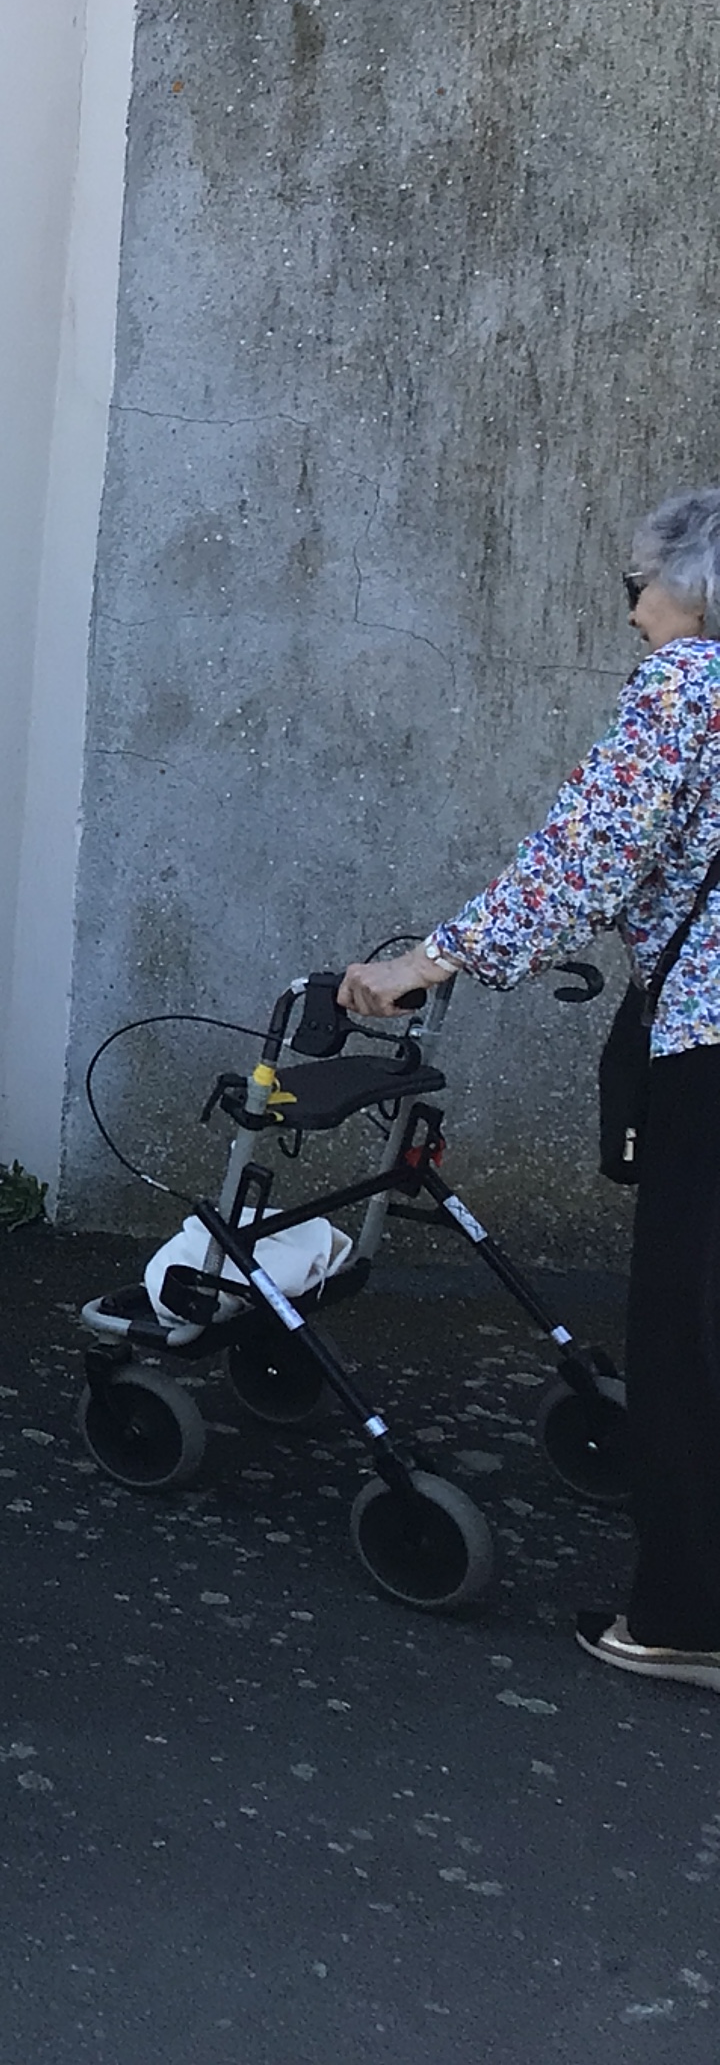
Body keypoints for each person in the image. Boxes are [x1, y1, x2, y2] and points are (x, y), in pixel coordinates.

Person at [341, 488, 720, 1693]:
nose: (633, 613)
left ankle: (688, 1617)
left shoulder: (689, 685)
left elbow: (586, 855)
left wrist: (428, 961)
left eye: (637, 587)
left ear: (695, 590)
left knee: (691, 1331)